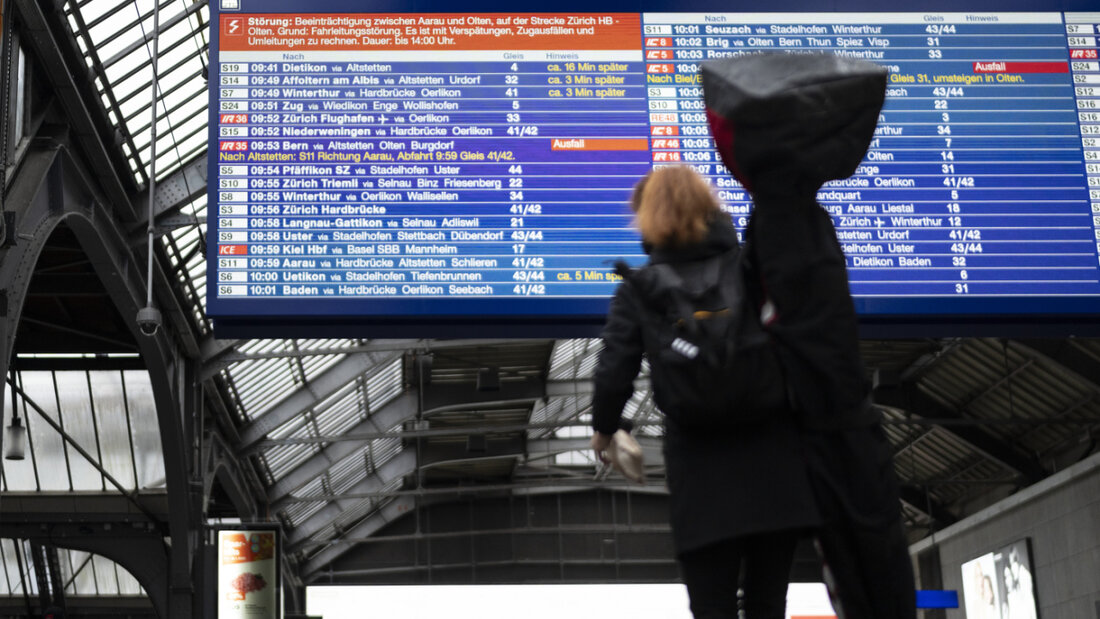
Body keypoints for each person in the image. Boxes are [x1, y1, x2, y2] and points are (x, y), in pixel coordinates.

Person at [700, 53, 916, 618]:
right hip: (843, 430)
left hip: (827, 436)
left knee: (867, 582)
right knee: (876, 578)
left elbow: (789, 333)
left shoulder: (779, 225)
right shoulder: (800, 219)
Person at [590, 165, 821, 619]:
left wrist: (605, 430)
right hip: (775, 461)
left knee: (711, 606)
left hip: (700, 470)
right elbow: (805, 341)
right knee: (768, 603)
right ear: (710, 206)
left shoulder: (641, 289)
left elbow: (615, 369)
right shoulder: (754, 267)